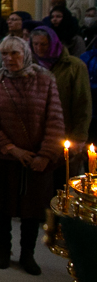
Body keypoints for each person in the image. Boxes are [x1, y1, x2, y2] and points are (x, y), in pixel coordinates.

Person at [0, 35, 65, 274]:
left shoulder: (45, 80)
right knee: (2, 207)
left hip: (37, 158)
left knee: (32, 208)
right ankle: (3, 250)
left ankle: (28, 253)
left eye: (14, 53)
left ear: (25, 54)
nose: (9, 59)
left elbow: (55, 118)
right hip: (4, 157)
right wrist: (11, 148)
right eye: (4, 54)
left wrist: (46, 155)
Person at [30, 26, 91, 176]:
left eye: (44, 44)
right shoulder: (31, 65)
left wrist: (79, 137)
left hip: (66, 131)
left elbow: (82, 102)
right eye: (35, 44)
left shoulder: (74, 66)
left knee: (64, 179)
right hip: (38, 135)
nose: (39, 49)